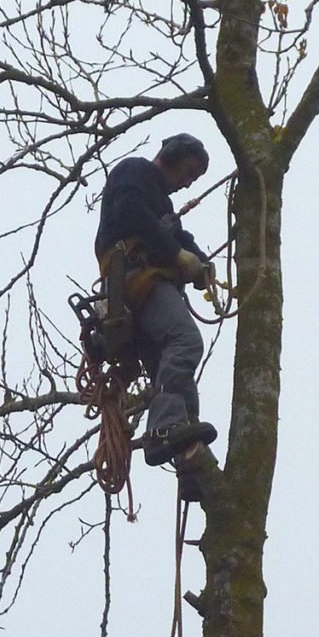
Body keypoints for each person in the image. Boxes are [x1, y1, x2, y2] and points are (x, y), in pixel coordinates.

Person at [94, 133, 218, 483]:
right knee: (186, 341)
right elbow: (132, 212)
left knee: (174, 369)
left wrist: (201, 264)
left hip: (146, 288)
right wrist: (176, 256)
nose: (186, 182)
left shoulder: (161, 204)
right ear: (172, 156)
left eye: (193, 179)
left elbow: (180, 237)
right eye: (187, 173)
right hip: (136, 281)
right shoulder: (134, 172)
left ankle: (188, 454)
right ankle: (165, 428)